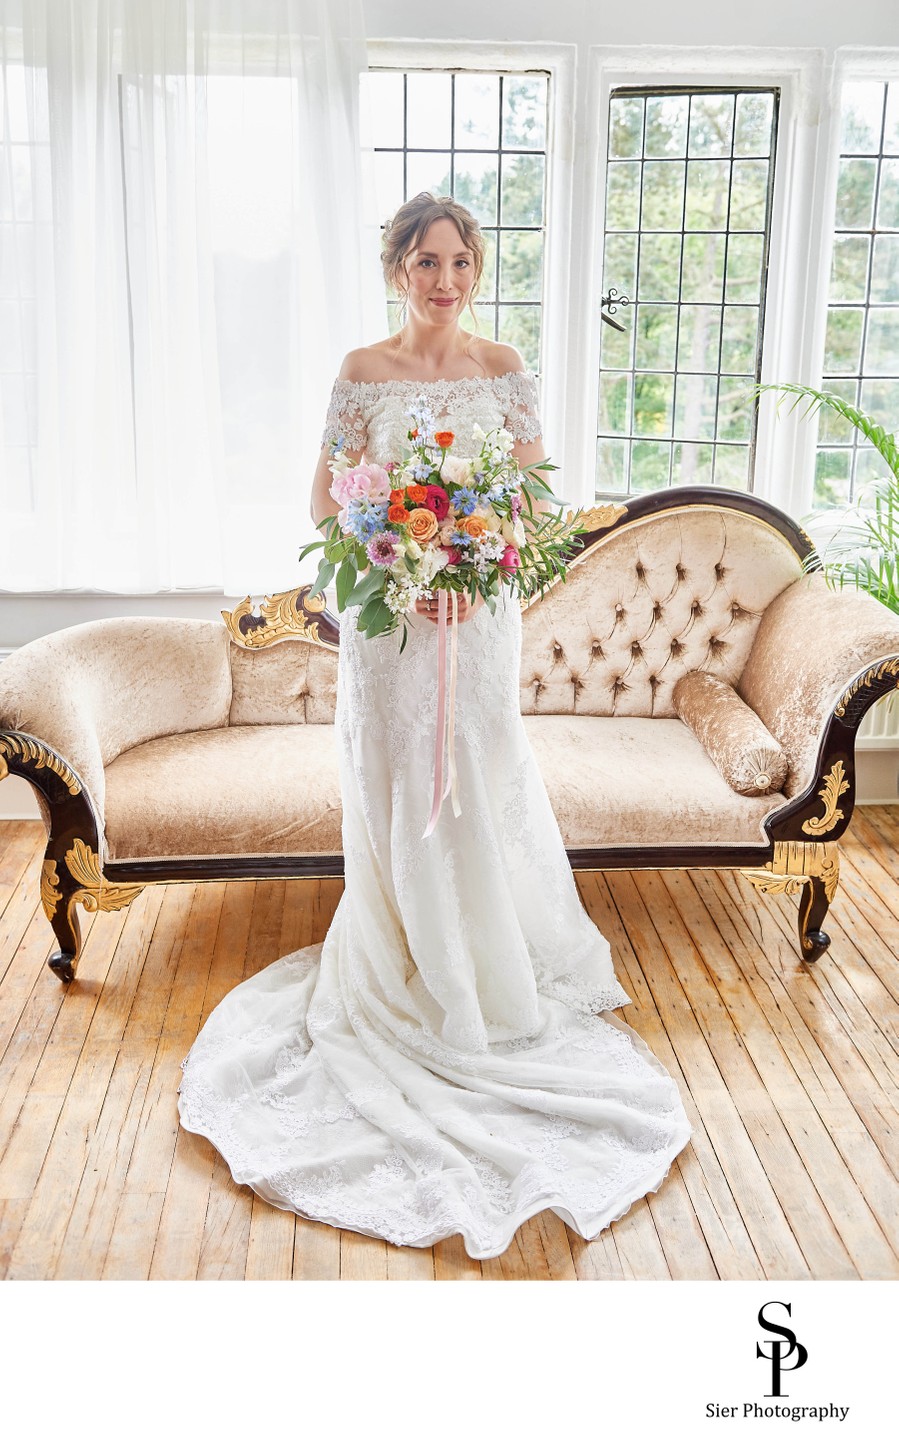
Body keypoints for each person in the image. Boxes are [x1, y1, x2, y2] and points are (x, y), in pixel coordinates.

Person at [177, 192, 692, 1260]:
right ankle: (406, 952)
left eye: (459, 261)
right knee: (398, 779)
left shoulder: (503, 366)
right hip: (390, 625)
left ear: (476, 269)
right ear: (394, 270)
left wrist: (470, 555)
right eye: (424, 261)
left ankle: (484, 956)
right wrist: (401, 564)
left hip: (478, 620)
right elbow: (326, 501)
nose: (443, 278)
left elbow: (530, 506)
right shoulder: (361, 373)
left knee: (476, 769)